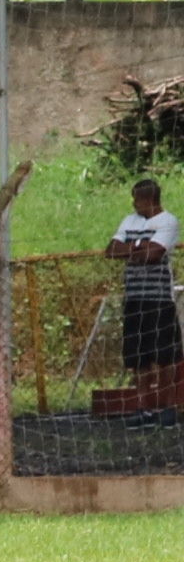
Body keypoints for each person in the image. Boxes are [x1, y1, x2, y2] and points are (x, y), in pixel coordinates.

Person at [105, 178, 182, 426]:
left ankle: (166, 407)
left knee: (164, 355)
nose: (134, 204)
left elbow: (154, 254)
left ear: (148, 199)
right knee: (138, 356)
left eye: (137, 199)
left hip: (158, 298)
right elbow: (112, 249)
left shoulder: (168, 221)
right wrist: (140, 245)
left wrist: (131, 246)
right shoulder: (130, 221)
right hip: (134, 297)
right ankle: (143, 408)